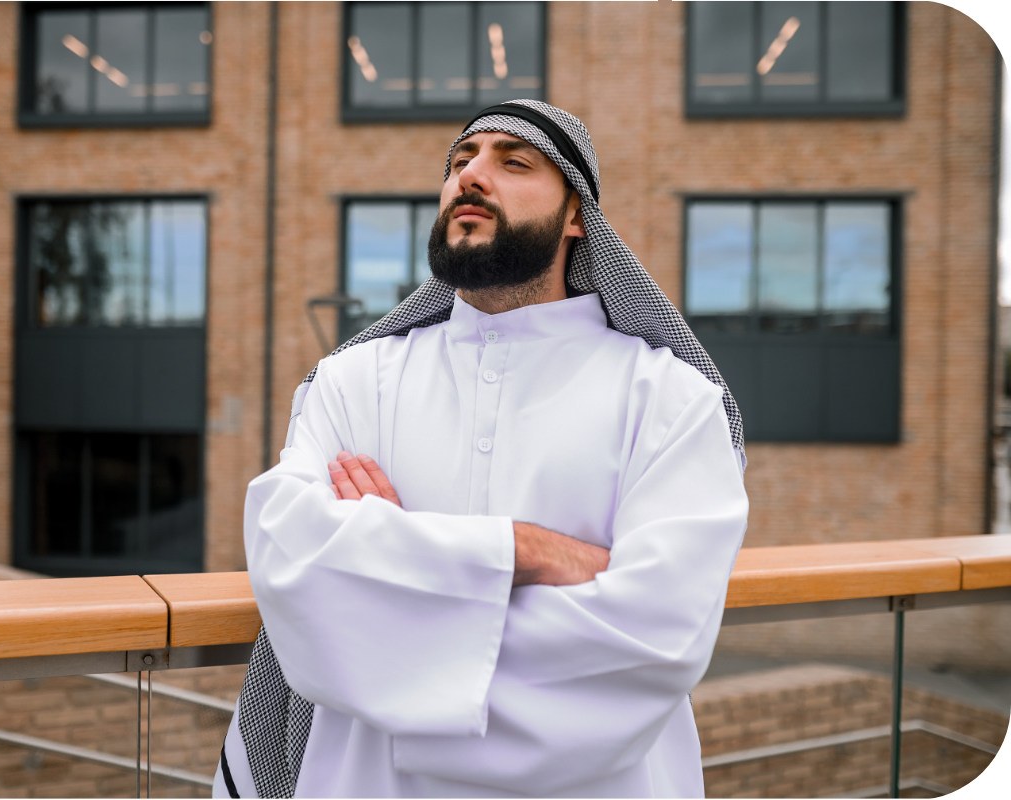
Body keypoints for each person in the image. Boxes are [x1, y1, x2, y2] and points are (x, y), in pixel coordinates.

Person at [214, 100, 749, 798]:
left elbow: (655, 636)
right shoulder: (353, 381)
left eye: (514, 161)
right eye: (460, 161)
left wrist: (388, 563)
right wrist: (526, 552)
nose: (470, 176)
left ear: (577, 215)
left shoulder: (669, 399)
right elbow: (291, 559)